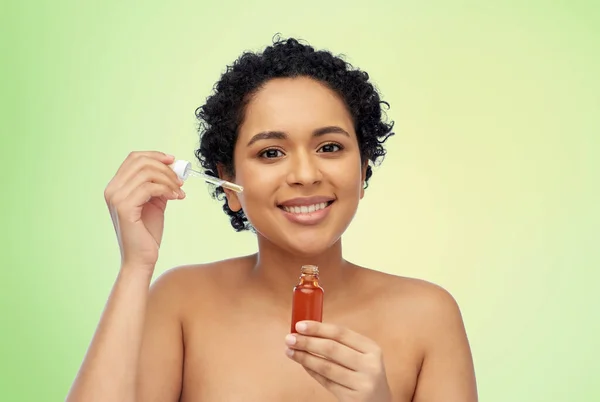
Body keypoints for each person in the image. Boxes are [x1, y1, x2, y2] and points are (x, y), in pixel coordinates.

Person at [66, 36, 478, 402]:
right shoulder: (180, 302)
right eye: (271, 153)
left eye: (330, 147)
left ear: (363, 168)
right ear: (228, 182)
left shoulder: (428, 316)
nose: (304, 174)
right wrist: (135, 267)